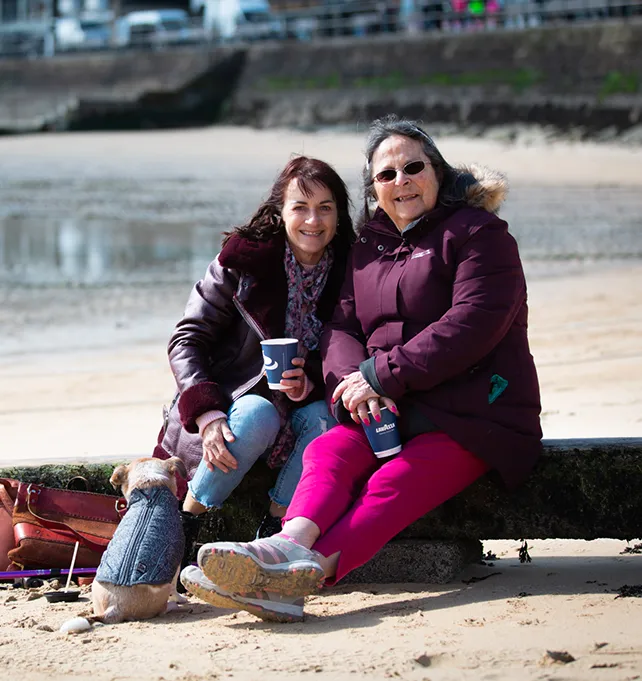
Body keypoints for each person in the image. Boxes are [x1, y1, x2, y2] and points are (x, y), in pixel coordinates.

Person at [181, 115, 542, 623]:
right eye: (385, 175)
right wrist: (354, 384)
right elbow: (341, 328)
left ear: (437, 172)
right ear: (373, 190)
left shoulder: (481, 234)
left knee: (393, 481)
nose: (401, 182)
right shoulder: (369, 244)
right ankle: (281, 550)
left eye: (412, 167)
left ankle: (303, 577)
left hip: (475, 413)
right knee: (329, 448)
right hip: (390, 408)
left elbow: (473, 323)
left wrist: (381, 375)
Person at [152, 156, 354, 571]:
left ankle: (272, 535)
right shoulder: (242, 263)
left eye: (325, 208)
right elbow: (186, 339)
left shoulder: (352, 270)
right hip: (234, 398)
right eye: (300, 206)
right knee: (258, 415)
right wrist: (206, 413)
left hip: (300, 406)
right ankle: (186, 527)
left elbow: (354, 343)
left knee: (326, 423)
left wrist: (311, 380)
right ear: (280, 212)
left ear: (339, 214)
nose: (312, 221)